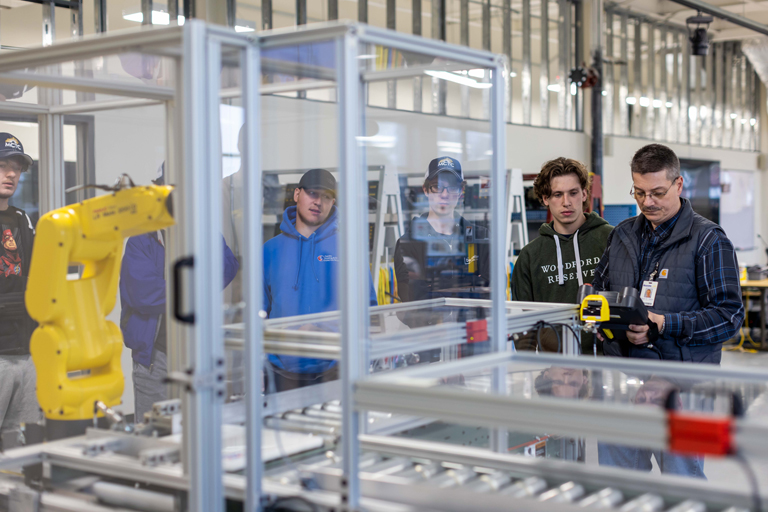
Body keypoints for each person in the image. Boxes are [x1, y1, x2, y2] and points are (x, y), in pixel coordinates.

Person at [592, 143, 744, 477]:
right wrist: (604, 321)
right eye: (639, 192)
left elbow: (729, 317)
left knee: (682, 489)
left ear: (678, 185)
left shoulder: (708, 240)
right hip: (624, 384)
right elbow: (598, 294)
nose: (647, 202)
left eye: (658, 192)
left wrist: (663, 323)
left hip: (682, 388)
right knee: (620, 485)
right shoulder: (621, 236)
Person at [120, 164, 240, 421]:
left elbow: (228, 266)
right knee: (156, 432)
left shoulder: (202, 232)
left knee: (200, 430)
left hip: (198, 353)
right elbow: (146, 295)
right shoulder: (143, 238)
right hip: (156, 357)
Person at [263, 168, 377, 391]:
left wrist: (322, 330)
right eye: (313, 193)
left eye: (326, 197)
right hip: (280, 372)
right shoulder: (270, 251)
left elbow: (367, 311)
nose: (318, 202)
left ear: (333, 202)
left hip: (336, 370)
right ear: (297, 194)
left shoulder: (349, 249)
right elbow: (257, 313)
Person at [511, 157, 612, 352]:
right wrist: (530, 370)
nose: (566, 202)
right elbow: (524, 325)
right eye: (557, 195)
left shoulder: (611, 240)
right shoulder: (530, 256)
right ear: (545, 199)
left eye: (573, 193)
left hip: (607, 362)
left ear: (584, 194)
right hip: (555, 371)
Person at [0, 133, 40, 449]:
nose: (10, 174)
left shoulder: (24, 221)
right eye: (2, 165)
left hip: (26, 353)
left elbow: (38, 281)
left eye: (16, 168)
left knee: (20, 447)